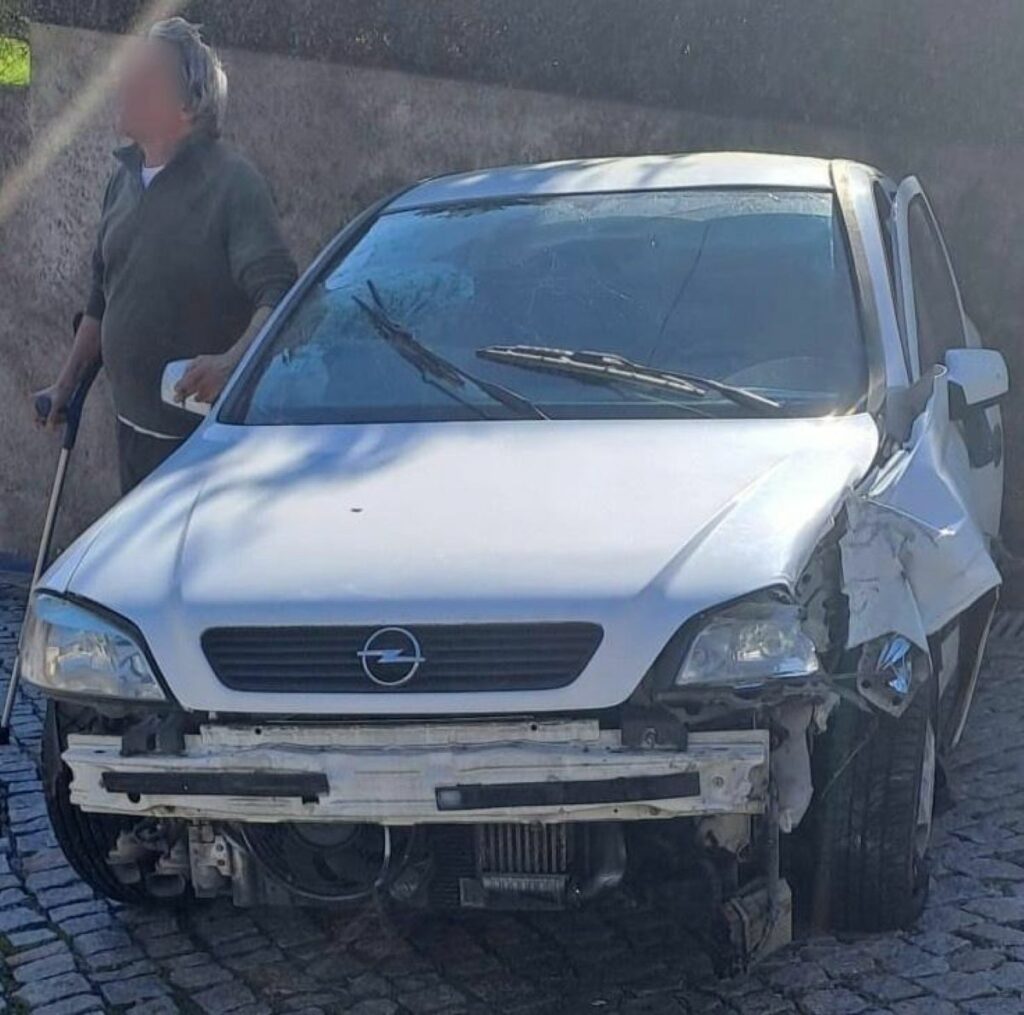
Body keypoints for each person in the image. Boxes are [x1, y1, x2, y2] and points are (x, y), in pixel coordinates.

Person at [33, 17, 297, 493]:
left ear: (187, 104)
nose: (124, 82)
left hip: (204, 448)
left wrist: (233, 364)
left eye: (146, 74)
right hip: (131, 432)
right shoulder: (122, 180)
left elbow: (280, 293)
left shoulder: (233, 185)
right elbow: (102, 296)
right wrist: (66, 385)